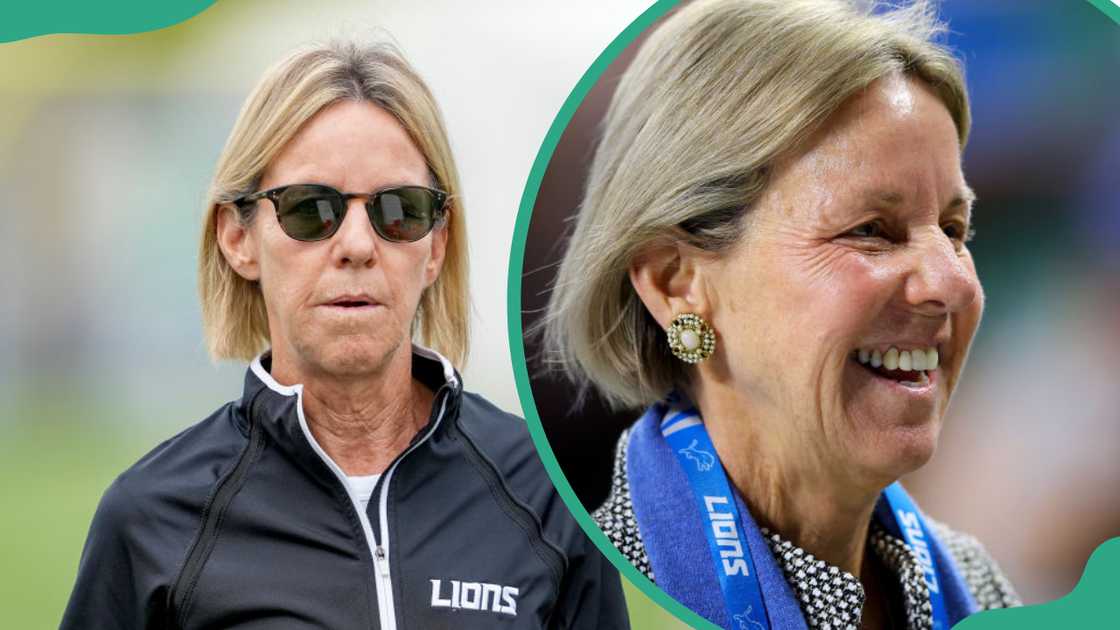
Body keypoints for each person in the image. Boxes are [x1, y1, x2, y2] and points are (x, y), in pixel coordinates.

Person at [61, 39, 627, 629]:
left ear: (436, 244)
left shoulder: (551, 491)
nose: (357, 245)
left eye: (398, 209)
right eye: (310, 208)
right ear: (238, 238)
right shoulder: (150, 518)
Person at [542, 0, 1021, 628]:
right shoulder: (584, 598)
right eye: (870, 230)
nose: (954, 283)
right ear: (676, 284)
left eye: (954, 230)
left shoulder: (979, 586)